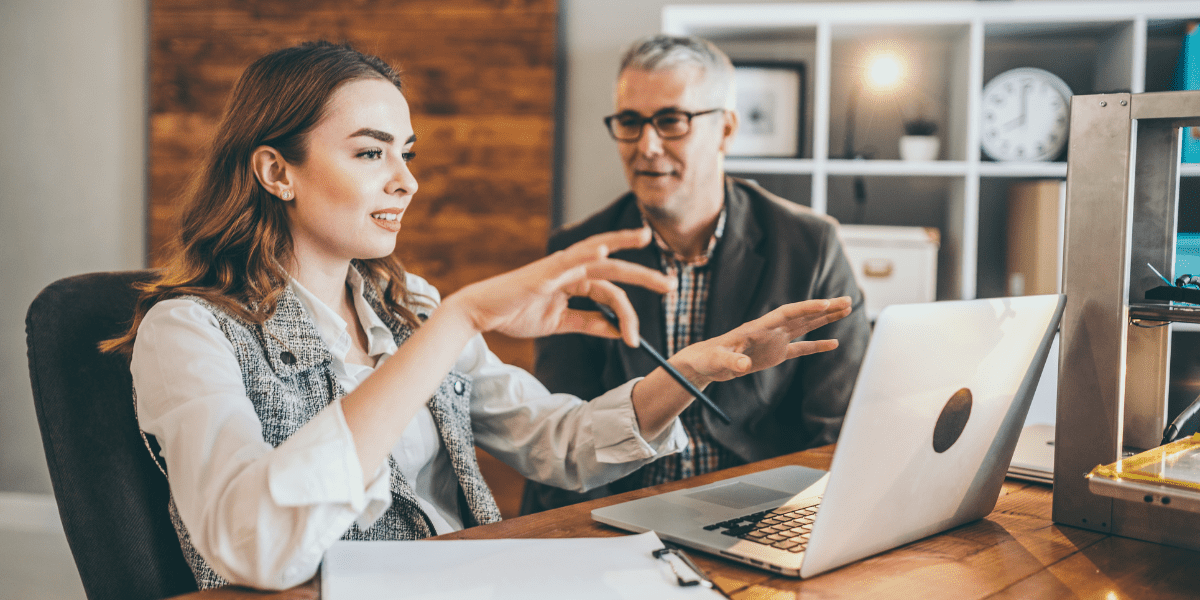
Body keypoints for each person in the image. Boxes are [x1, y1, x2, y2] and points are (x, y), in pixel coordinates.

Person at [100, 41, 854, 591]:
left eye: (408, 152)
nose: (407, 181)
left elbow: (559, 443)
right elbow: (255, 547)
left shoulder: (408, 304)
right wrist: (457, 323)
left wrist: (690, 371)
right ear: (276, 171)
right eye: (371, 154)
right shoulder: (189, 332)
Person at [521, 35, 870, 515]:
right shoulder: (577, 252)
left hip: (762, 508)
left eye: (671, 121)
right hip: (624, 512)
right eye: (630, 122)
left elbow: (837, 431)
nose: (647, 145)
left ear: (726, 130)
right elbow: (561, 432)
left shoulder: (811, 246)